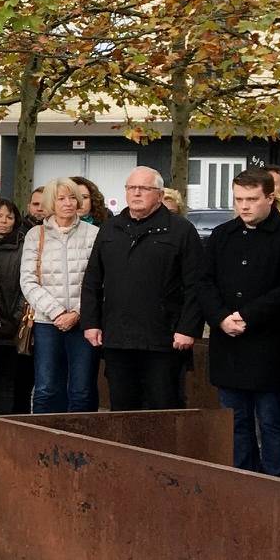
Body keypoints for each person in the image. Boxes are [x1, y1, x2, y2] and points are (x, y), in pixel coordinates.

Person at [198, 168, 280, 478]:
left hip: (270, 345)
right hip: (229, 344)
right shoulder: (222, 234)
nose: (244, 206)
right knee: (236, 423)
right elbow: (204, 282)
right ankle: (242, 481)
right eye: (238, 199)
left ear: (270, 198)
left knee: (273, 423)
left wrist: (247, 316)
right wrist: (220, 317)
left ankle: (276, 483)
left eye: (251, 199)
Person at [81, 167, 206, 411]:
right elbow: (93, 279)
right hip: (118, 337)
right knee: (121, 408)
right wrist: (91, 322)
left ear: (159, 195)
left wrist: (187, 329)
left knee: (163, 406)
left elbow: (196, 284)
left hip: (164, 339)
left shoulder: (180, 230)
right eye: (131, 188)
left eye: (144, 188)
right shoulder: (110, 228)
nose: (136, 193)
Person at [21, 178, 101, 413]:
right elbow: (28, 281)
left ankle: (80, 435)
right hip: (47, 322)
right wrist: (56, 312)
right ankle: (43, 433)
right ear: (50, 203)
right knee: (45, 388)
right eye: (61, 198)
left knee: (82, 389)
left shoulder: (94, 234)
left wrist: (77, 312)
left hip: (84, 321)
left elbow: (100, 281)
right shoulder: (35, 235)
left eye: (72, 197)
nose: (68, 203)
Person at [0, 198, 31, 414]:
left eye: (9, 217)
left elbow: (27, 284)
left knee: (8, 383)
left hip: (12, 325)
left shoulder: (23, 246)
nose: (4, 221)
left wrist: (16, 317)